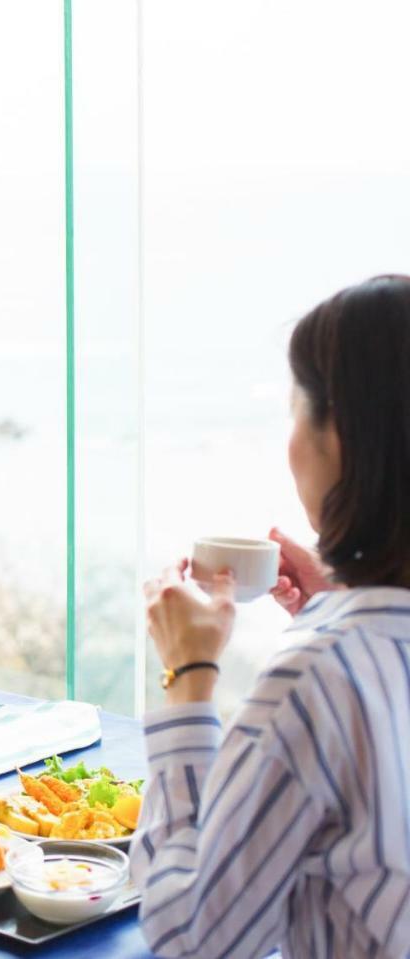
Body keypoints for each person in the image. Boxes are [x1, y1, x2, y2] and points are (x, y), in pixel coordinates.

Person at [136, 274, 410, 958]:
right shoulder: (350, 657)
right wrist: (338, 613)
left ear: (341, 437)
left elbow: (195, 937)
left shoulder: (316, 674)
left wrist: (188, 675)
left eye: (295, 413)